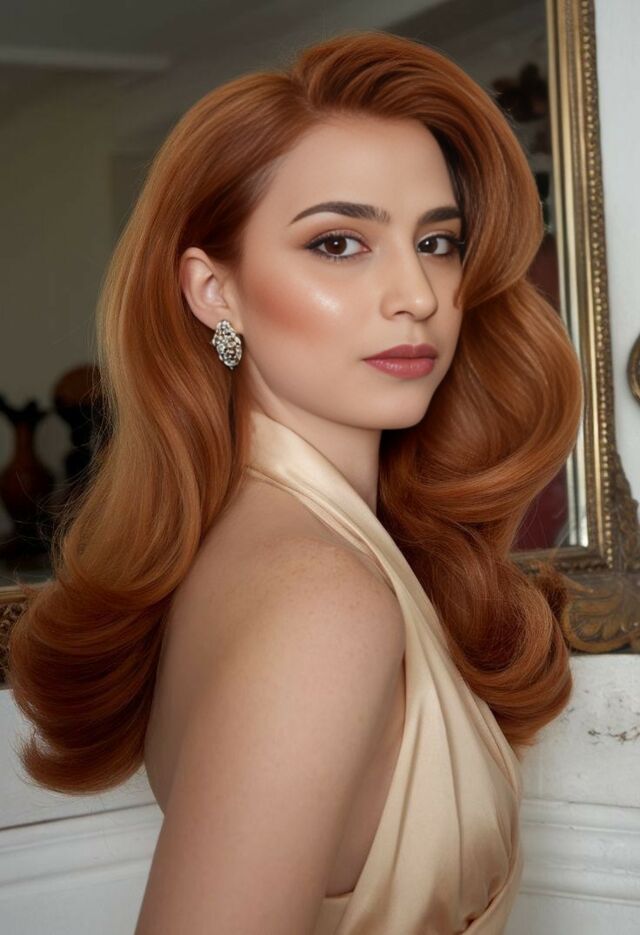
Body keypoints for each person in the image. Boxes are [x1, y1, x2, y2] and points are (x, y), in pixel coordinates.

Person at [7, 29, 583, 934]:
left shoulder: (277, 552)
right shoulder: (320, 595)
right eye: (340, 243)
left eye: (438, 241)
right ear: (214, 291)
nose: (418, 294)